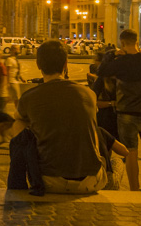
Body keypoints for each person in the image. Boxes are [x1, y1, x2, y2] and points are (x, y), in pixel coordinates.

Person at [13, 40, 107, 194]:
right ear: (65, 64)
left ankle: (27, 167)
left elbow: (17, 117)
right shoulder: (89, 94)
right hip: (90, 180)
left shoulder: (30, 97)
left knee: (18, 122)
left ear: (38, 64)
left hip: (49, 180)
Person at [97, 29, 141, 192]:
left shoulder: (120, 62)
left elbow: (101, 72)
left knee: (130, 152)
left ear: (123, 43)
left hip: (126, 112)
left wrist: (111, 54)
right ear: (136, 41)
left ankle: (134, 189)